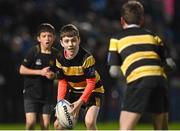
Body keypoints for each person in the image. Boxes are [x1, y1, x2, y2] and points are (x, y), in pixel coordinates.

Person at [107, 1, 176, 130]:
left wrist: (130, 72)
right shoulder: (154, 37)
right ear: (142, 20)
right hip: (159, 80)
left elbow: (114, 71)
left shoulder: (116, 39)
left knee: (126, 128)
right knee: (161, 128)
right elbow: (171, 64)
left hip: (137, 79)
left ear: (122, 21)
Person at [54, 24, 105, 130]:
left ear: (79, 40)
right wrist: (60, 102)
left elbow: (91, 83)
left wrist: (80, 101)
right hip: (73, 91)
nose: (70, 44)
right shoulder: (59, 58)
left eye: (73, 40)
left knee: (89, 122)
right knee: (58, 125)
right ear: (61, 43)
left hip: (93, 90)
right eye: (67, 41)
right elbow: (62, 82)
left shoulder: (87, 58)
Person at [19, 23, 58, 130]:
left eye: (50, 36)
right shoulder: (34, 51)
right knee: (31, 123)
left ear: (54, 38)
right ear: (39, 38)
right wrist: (40, 72)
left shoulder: (56, 54)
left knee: (45, 125)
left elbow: (60, 73)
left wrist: (53, 75)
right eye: (44, 36)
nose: (47, 38)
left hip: (47, 94)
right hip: (31, 93)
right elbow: (22, 70)